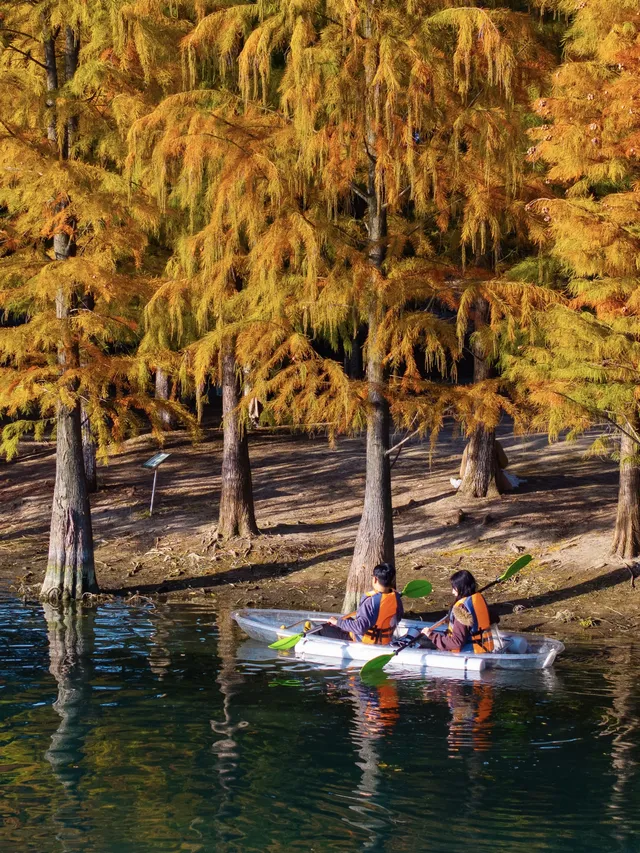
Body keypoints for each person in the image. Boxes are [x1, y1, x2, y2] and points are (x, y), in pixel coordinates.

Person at [319, 563, 404, 644]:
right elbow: (398, 617)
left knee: (324, 629)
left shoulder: (371, 602)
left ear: (375, 579)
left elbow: (360, 628)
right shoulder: (396, 598)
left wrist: (337, 623)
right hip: (385, 640)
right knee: (346, 620)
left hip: (364, 641)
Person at [421, 569, 494, 653]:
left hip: (471, 653)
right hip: (485, 648)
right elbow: (493, 618)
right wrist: (453, 620)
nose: (452, 592)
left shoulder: (461, 609)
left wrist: (431, 635)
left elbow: (456, 642)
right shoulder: (478, 599)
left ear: (461, 588)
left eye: (454, 588)